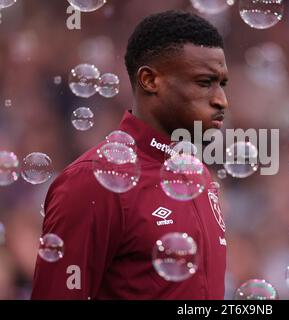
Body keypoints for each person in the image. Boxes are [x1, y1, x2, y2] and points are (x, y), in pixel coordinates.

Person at [31, 10, 229, 300]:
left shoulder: (197, 173)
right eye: (203, 82)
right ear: (150, 80)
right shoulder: (92, 181)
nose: (221, 100)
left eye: (222, 83)